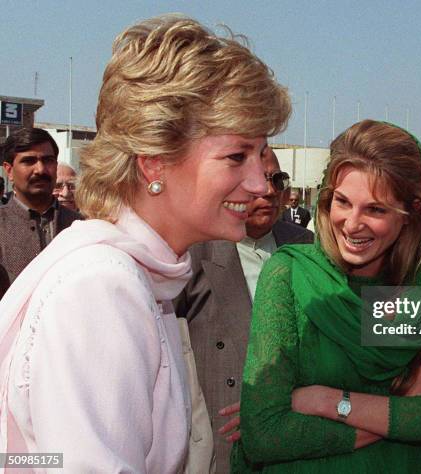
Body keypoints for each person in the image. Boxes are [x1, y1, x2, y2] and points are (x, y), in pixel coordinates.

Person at [0, 14, 290, 473]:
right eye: (236, 156)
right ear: (155, 163)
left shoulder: (135, 274)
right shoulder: (103, 287)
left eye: (260, 157)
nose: (260, 184)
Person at [233, 120, 421, 473]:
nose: (351, 223)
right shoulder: (291, 275)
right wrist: (403, 401)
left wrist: (326, 401)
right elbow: (265, 434)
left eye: (375, 209)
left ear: (410, 216)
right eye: (342, 202)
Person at [174, 148, 313, 473]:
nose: (267, 191)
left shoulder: (306, 246)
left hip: (301, 431)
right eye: (256, 180)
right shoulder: (194, 251)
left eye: (276, 180)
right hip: (223, 438)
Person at [0, 128, 82, 284]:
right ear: (9, 171)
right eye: (29, 161)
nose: (40, 170)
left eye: (48, 160)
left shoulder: (80, 226)